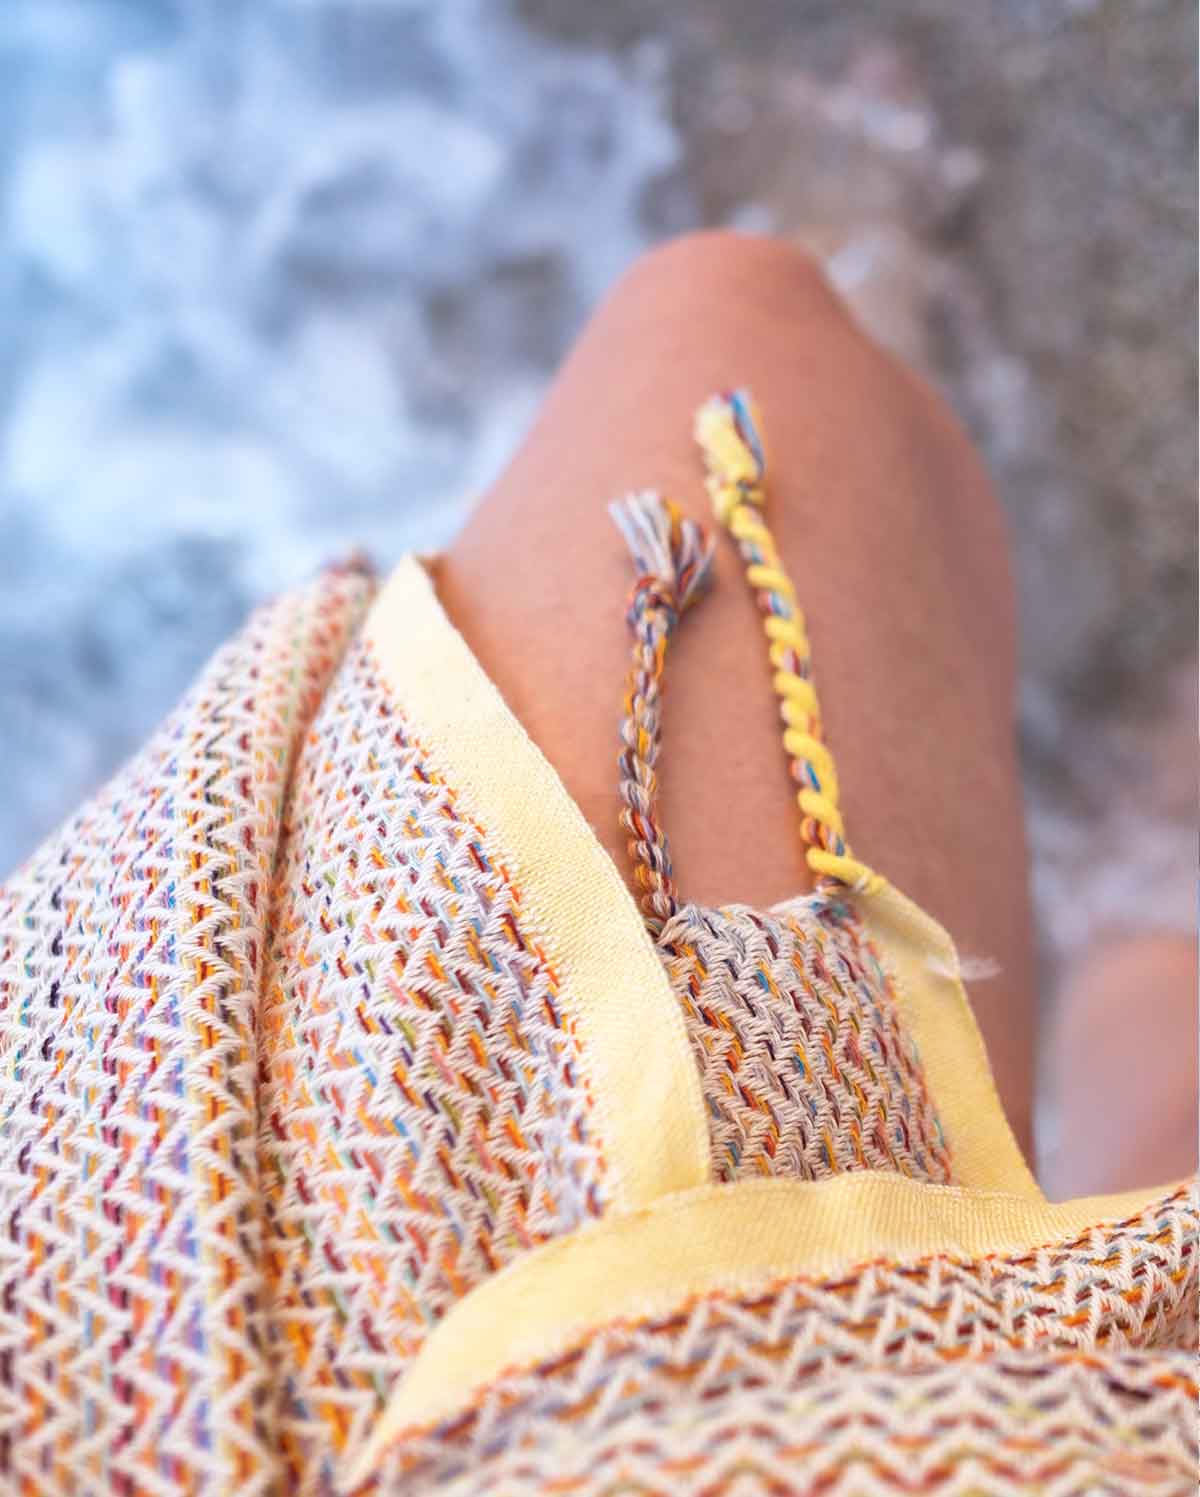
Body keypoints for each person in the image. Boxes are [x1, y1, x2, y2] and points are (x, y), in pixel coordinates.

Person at [1, 232, 1194, 1496]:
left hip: (91, 1291)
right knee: (738, 319)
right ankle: (1145, 948)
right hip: (599, 1370)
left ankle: (1138, 964)